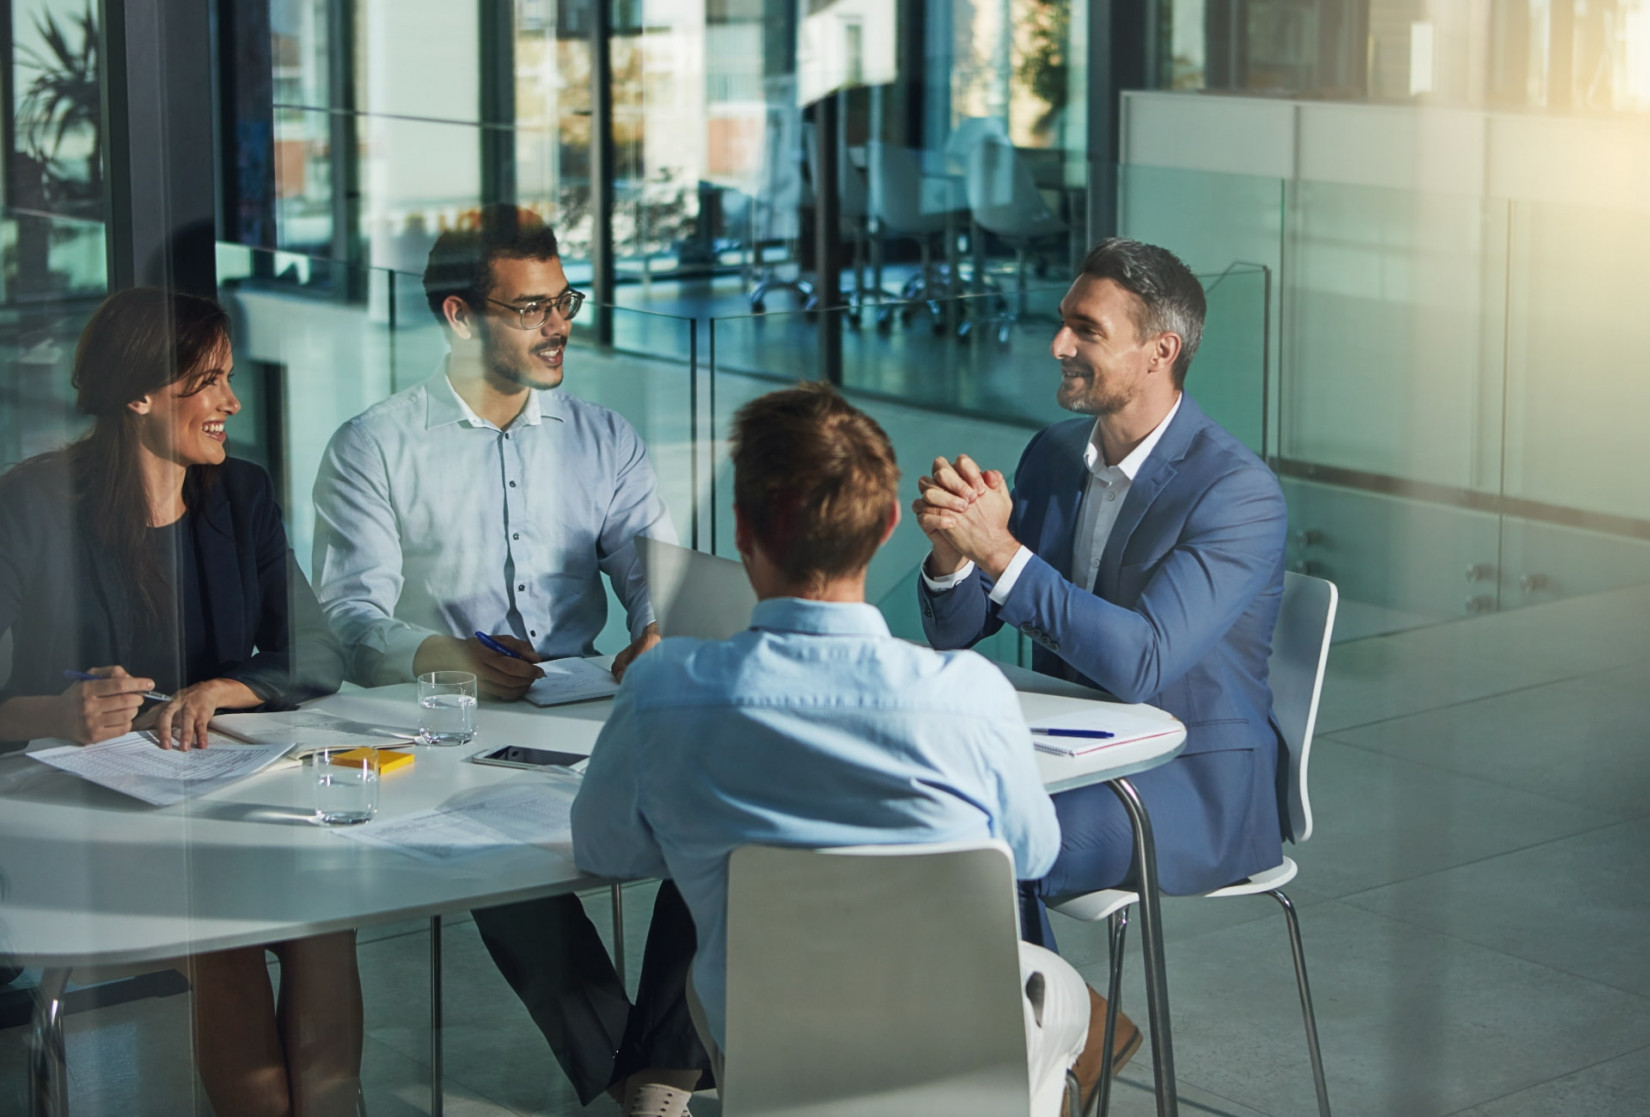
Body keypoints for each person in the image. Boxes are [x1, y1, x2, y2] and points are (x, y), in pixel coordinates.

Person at [572, 383, 1102, 1117]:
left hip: (770, 1058)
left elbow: (602, 846)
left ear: (742, 530)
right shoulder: (967, 697)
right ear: (888, 525)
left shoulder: (662, 689)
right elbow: (1034, 854)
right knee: (1056, 993)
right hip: (953, 1056)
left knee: (706, 980)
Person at [310, 204, 707, 1105]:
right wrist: (439, 653)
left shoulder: (604, 438)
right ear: (459, 316)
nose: (559, 324)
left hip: (593, 709)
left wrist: (656, 624)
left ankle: (648, 1081)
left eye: (562, 299)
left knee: (720, 814)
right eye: (530, 308)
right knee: (496, 862)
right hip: (452, 730)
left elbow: (660, 574)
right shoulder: (374, 445)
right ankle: (652, 1086)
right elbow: (348, 615)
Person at [0, 287, 359, 1116]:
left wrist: (223, 689)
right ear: (138, 394)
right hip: (89, 805)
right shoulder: (31, 505)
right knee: (224, 934)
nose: (232, 402)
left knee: (327, 916)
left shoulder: (241, 493)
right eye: (209, 382)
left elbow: (318, 650)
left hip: (224, 785)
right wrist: (53, 715)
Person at [914, 239, 1289, 955]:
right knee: (905, 820)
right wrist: (954, 552)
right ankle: (1075, 1029)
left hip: (1186, 784)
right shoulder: (1054, 454)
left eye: (1087, 329)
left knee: (986, 848)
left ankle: (1046, 1038)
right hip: (1065, 752)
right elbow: (958, 630)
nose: (1058, 344)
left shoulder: (1236, 492)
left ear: (1160, 351)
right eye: (1064, 321)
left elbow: (1143, 662)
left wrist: (1002, 550)